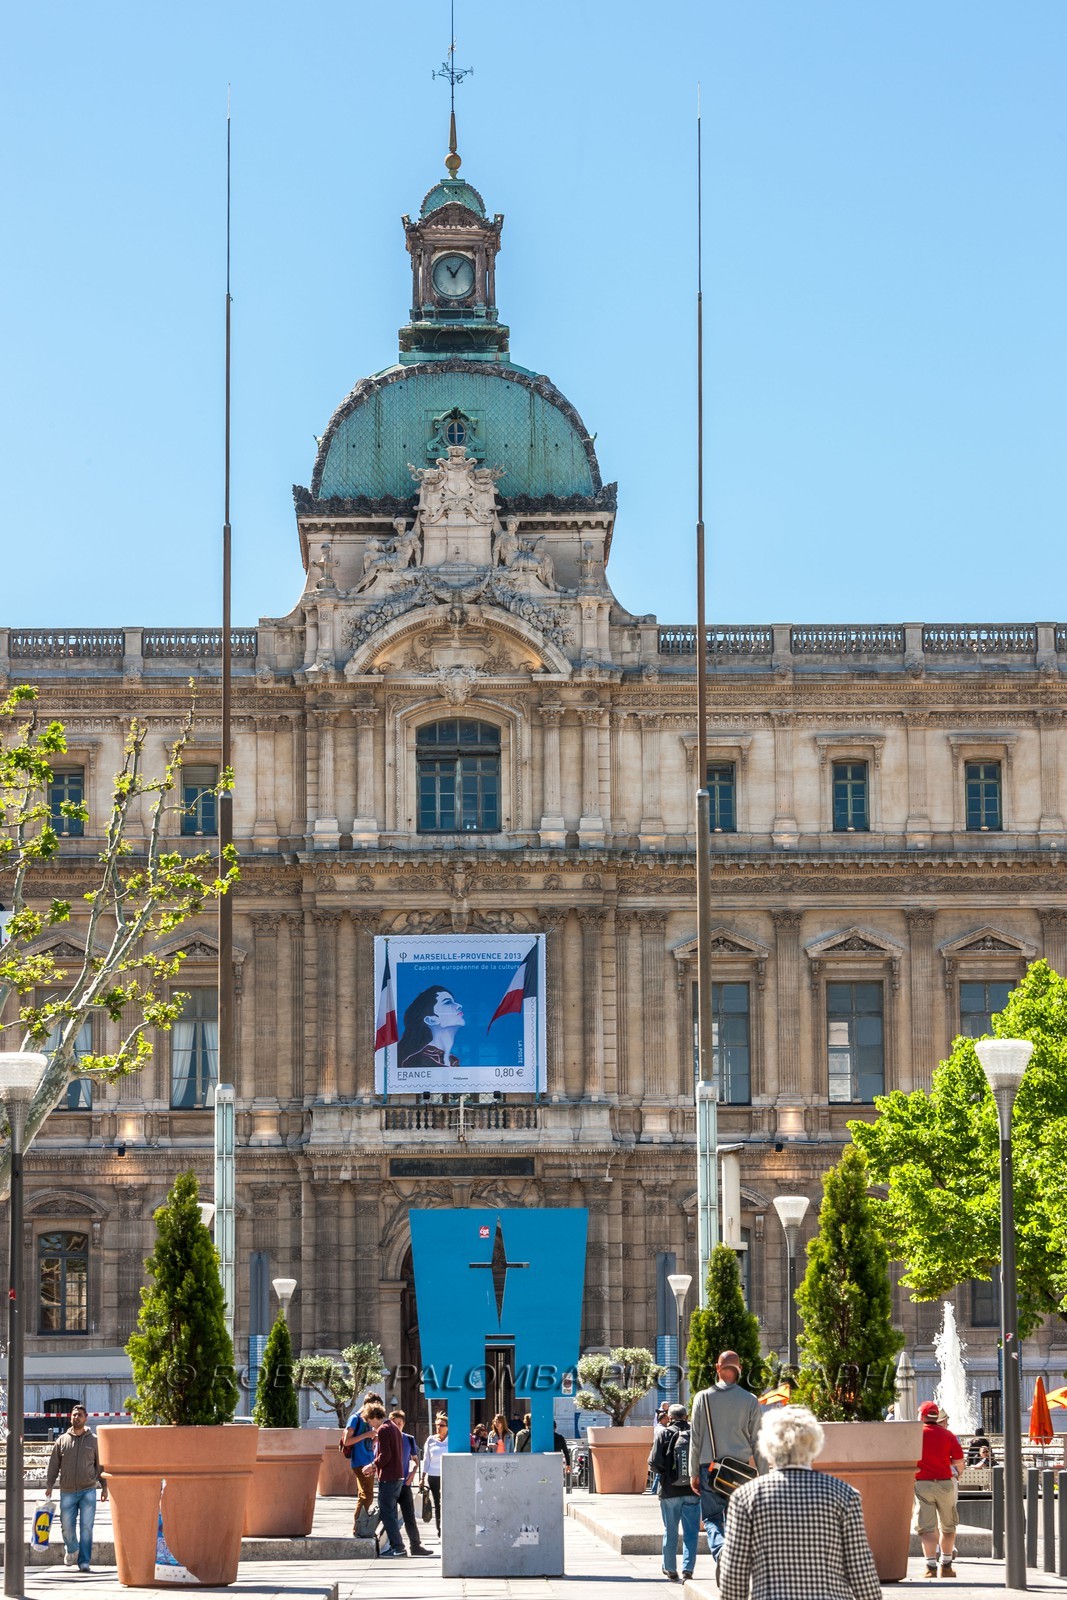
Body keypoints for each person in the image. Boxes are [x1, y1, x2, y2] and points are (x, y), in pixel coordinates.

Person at [718, 1405, 880, 1600]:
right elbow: (860, 1566)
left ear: (767, 1446)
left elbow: (734, 1571)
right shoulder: (844, 1494)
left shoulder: (746, 1497)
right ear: (814, 1444)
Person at [688, 1349, 762, 1570]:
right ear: (739, 1370)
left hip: (709, 1468)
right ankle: (734, 1561)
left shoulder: (702, 1397)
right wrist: (765, 1476)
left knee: (711, 1518)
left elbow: (695, 1438)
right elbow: (759, 1441)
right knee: (737, 1519)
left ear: (717, 1368)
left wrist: (693, 1473)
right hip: (740, 1473)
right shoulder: (750, 1400)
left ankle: (721, 1552)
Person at [45, 1404, 108, 1573]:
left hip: (88, 1490)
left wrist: (104, 1487)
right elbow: (53, 1465)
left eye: (79, 1415)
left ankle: (84, 1561)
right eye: (74, 1415)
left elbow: (100, 1465)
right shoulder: (62, 1440)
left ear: (86, 1417)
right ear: (70, 1417)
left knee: (87, 1527)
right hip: (67, 1491)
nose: (76, 1417)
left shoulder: (94, 1440)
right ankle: (72, 1548)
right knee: (66, 1525)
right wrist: (49, 1485)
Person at [650, 1402, 701, 1583]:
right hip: (693, 1490)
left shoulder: (663, 1433)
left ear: (669, 1417)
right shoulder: (696, 1433)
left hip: (669, 1491)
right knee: (691, 1532)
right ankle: (688, 1569)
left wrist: (666, 1475)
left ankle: (670, 1568)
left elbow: (654, 1462)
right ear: (686, 1417)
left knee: (670, 1530)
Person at [915, 1399, 965, 1578]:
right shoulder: (948, 1435)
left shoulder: (915, 1434)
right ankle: (946, 1566)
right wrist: (957, 1475)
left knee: (927, 1527)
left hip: (922, 1484)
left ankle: (930, 1567)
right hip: (945, 1483)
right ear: (937, 1416)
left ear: (921, 1415)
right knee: (948, 1526)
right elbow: (959, 1462)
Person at [389, 1409, 434, 1557]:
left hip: (405, 1484)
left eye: (400, 1424)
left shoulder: (408, 1439)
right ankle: (394, 1545)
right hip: (390, 1483)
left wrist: (412, 1474)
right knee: (391, 1517)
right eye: (395, 1424)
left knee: (410, 1516)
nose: (397, 1426)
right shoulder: (385, 1438)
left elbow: (415, 1460)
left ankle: (415, 1546)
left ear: (403, 1424)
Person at [366, 1403, 407, 1558]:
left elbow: (385, 1455)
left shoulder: (383, 1429)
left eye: (369, 1421)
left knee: (387, 1513)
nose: (370, 1424)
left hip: (389, 1477)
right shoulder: (393, 1428)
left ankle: (398, 1546)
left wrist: (372, 1466)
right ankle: (395, 1545)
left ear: (374, 1417)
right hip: (397, 1476)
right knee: (390, 1512)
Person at [397, 986, 465, 1072]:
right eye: (447, 1002)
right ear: (431, 1020)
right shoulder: (415, 1062)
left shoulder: (453, 1062)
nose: (459, 1006)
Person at [342, 1392, 380, 1536]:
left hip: (368, 1461)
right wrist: (366, 1435)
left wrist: (374, 1438)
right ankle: (358, 1526)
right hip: (359, 1462)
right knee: (367, 1495)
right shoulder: (354, 1419)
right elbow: (347, 1441)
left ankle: (360, 1525)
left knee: (365, 1494)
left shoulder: (369, 1420)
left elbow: (369, 1440)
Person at [421, 1412, 450, 1535]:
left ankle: (449, 1527)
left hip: (448, 1476)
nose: (438, 1427)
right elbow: (426, 1458)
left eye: (441, 1425)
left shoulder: (452, 1439)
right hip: (433, 1476)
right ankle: (440, 1529)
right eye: (437, 1425)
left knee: (448, 1502)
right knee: (437, 1503)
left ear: (447, 1427)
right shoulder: (431, 1440)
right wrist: (422, 1476)